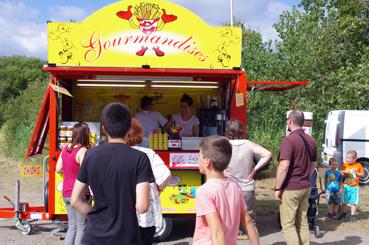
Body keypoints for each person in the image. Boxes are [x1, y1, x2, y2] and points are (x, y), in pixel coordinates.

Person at [71, 103, 155, 244]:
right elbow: (142, 206)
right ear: (129, 128)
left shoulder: (90, 156)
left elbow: (75, 201)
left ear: (104, 128)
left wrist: (95, 216)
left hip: (94, 238)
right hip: (126, 237)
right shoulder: (139, 158)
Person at [193, 136, 259, 245]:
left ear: (207, 162)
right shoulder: (235, 185)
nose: (198, 160)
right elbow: (247, 221)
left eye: (199, 156)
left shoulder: (204, 192)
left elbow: (217, 232)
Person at [274, 110, 317, 245]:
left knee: (288, 224)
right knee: (302, 221)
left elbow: (284, 166)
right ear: (302, 122)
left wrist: (278, 187)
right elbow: (314, 164)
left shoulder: (289, 140)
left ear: (290, 121)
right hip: (306, 186)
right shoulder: (311, 140)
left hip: (291, 187)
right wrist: (306, 177)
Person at [127, 119, 171, 245]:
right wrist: (158, 189)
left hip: (121, 217)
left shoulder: (114, 154)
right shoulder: (148, 153)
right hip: (146, 216)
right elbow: (165, 175)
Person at [224, 119, 272, 224]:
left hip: (228, 187)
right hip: (246, 187)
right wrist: (255, 169)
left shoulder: (224, 145)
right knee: (249, 219)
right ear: (241, 131)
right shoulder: (248, 144)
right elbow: (267, 154)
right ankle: (250, 236)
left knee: (228, 217)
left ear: (227, 130)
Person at [56, 122, 90, 245]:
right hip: (79, 194)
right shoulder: (83, 151)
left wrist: (69, 169)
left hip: (66, 193)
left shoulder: (65, 148)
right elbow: (86, 173)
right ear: (85, 135)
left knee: (72, 226)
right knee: (82, 227)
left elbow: (58, 168)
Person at [337, 150, 364, 223]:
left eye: (349, 158)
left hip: (354, 186)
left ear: (354, 159)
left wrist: (356, 173)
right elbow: (342, 173)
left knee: (354, 202)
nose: (347, 159)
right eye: (347, 157)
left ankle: (352, 216)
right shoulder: (345, 165)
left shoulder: (358, 165)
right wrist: (343, 173)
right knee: (344, 201)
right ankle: (343, 213)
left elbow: (362, 174)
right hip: (346, 186)